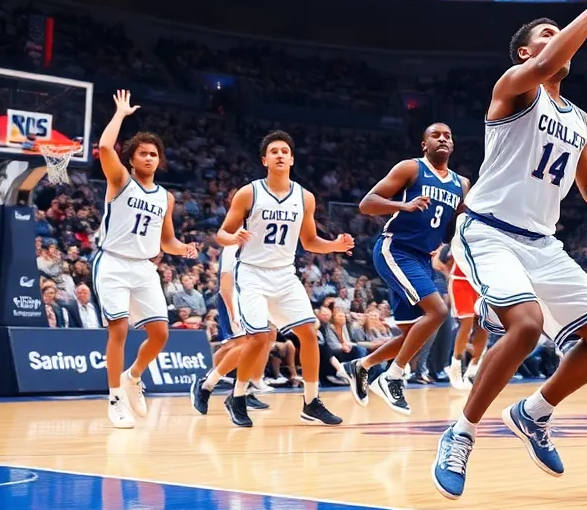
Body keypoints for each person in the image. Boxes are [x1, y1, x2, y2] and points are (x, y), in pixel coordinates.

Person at [432, 0, 587, 501]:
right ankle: (462, 432)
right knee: (524, 326)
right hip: (488, 230)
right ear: (528, 53)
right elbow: (555, 53)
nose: (556, 43)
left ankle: (534, 412)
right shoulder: (514, 88)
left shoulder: (579, 117)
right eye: (546, 36)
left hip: (542, 241)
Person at [215, 131, 355, 427]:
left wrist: (335, 245)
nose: (280, 155)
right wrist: (233, 236)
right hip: (251, 272)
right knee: (256, 339)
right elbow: (221, 233)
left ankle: (311, 402)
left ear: (291, 158)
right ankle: (237, 396)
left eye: (285, 151)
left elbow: (310, 241)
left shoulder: (305, 197)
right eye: (274, 151)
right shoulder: (248, 193)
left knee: (309, 334)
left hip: (285, 274)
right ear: (264, 159)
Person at [343, 124, 468, 415]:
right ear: (424, 144)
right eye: (435, 135)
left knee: (412, 334)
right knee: (438, 312)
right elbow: (367, 204)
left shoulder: (461, 184)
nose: (442, 139)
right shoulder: (411, 168)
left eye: (448, 135)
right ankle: (393, 377)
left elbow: (460, 225)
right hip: (395, 248)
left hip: (422, 258)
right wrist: (404, 205)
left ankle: (362, 365)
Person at [93, 90, 198, 429]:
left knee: (160, 334)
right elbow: (105, 148)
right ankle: (114, 399)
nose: (149, 158)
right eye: (143, 153)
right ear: (133, 158)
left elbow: (165, 240)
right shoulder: (120, 180)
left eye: (154, 154)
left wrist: (182, 249)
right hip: (112, 262)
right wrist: (120, 114)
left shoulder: (166, 198)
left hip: (144, 267)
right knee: (119, 329)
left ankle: (133, 376)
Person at [189, 244, 270, 416]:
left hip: (253, 297)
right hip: (233, 300)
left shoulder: (259, 242)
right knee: (243, 345)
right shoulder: (233, 244)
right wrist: (234, 313)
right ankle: (207, 384)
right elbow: (226, 287)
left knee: (258, 344)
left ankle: (242, 391)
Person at [443, 250, 488, 390]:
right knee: (467, 324)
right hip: (461, 282)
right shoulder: (461, 232)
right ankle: (455, 367)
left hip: (483, 284)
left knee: (484, 326)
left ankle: (472, 371)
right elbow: (441, 259)